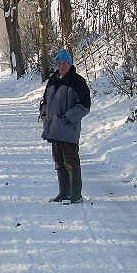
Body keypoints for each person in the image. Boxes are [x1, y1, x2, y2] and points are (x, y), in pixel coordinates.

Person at [39, 49, 91, 203]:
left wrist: (67, 117)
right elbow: (46, 100)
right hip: (53, 129)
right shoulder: (53, 79)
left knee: (71, 163)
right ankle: (63, 193)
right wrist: (44, 112)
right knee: (59, 162)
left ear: (70, 64)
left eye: (65, 63)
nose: (62, 66)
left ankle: (75, 195)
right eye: (59, 63)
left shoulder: (77, 81)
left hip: (68, 130)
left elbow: (85, 106)